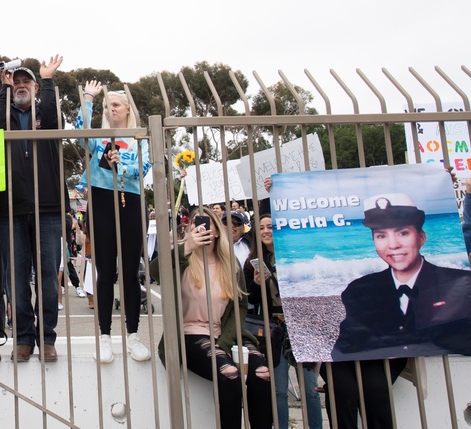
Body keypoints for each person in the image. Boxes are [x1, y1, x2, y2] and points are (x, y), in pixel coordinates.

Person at [151, 208, 272, 429]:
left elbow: (240, 306)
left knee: (262, 374)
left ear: (217, 231)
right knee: (230, 375)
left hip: (225, 334)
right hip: (190, 335)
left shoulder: (230, 262)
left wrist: (224, 343)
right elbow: (155, 271)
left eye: (208, 225)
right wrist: (187, 246)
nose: (202, 228)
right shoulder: (182, 258)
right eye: (195, 225)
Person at [0, 55, 66, 362]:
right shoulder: (3, 115)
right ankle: (23, 337)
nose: (20, 86)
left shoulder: (46, 112)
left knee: (47, 276)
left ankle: (47, 338)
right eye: (15, 81)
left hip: (47, 207)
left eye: (25, 82)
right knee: (15, 278)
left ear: (34, 87)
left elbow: (54, 113)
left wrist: (46, 79)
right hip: (10, 208)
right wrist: (3, 89)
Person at [333, 192, 471, 360]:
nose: (393, 245)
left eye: (403, 233)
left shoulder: (457, 283)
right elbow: (344, 350)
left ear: (421, 237)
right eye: (381, 236)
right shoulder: (359, 291)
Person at [75, 81, 152, 363]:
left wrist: (126, 165)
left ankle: (133, 335)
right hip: (101, 200)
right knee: (105, 272)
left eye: (116, 105)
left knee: (130, 272)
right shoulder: (97, 136)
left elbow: (146, 168)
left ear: (128, 109)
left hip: (130, 201)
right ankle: (104, 336)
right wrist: (89, 98)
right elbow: (79, 129)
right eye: (107, 106)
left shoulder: (139, 137)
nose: (111, 109)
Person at [243, 213, 322, 429]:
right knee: (278, 389)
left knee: (309, 388)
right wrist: (257, 284)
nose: (266, 231)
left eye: (270, 226)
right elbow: (250, 301)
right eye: (261, 228)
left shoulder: (295, 257)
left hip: (301, 327)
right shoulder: (252, 264)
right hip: (273, 329)